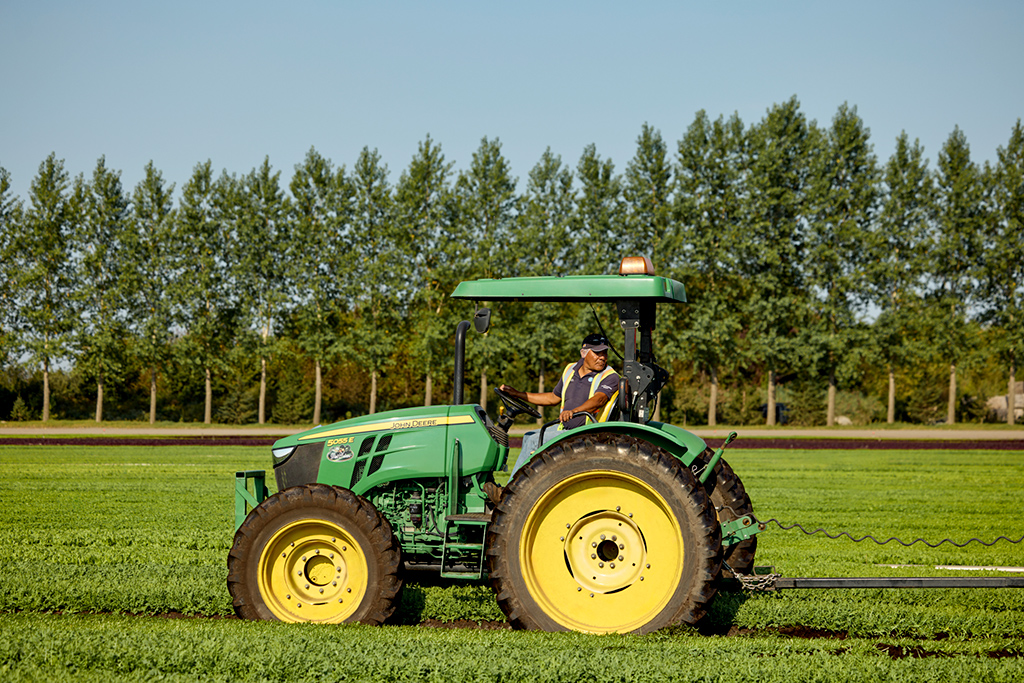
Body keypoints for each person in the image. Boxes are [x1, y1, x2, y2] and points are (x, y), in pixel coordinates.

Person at [500, 333, 620, 478]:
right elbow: (552, 398)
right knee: (529, 436)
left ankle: (510, 493)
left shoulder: (610, 376)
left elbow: (598, 399)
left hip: (583, 434)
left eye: (605, 353)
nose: (602, 357)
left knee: (533, 441)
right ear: (584, 353)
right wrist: (519, 394)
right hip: (565, 429)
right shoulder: (570, 369)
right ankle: (528, 482)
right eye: (597, 353)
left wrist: (574, 411)